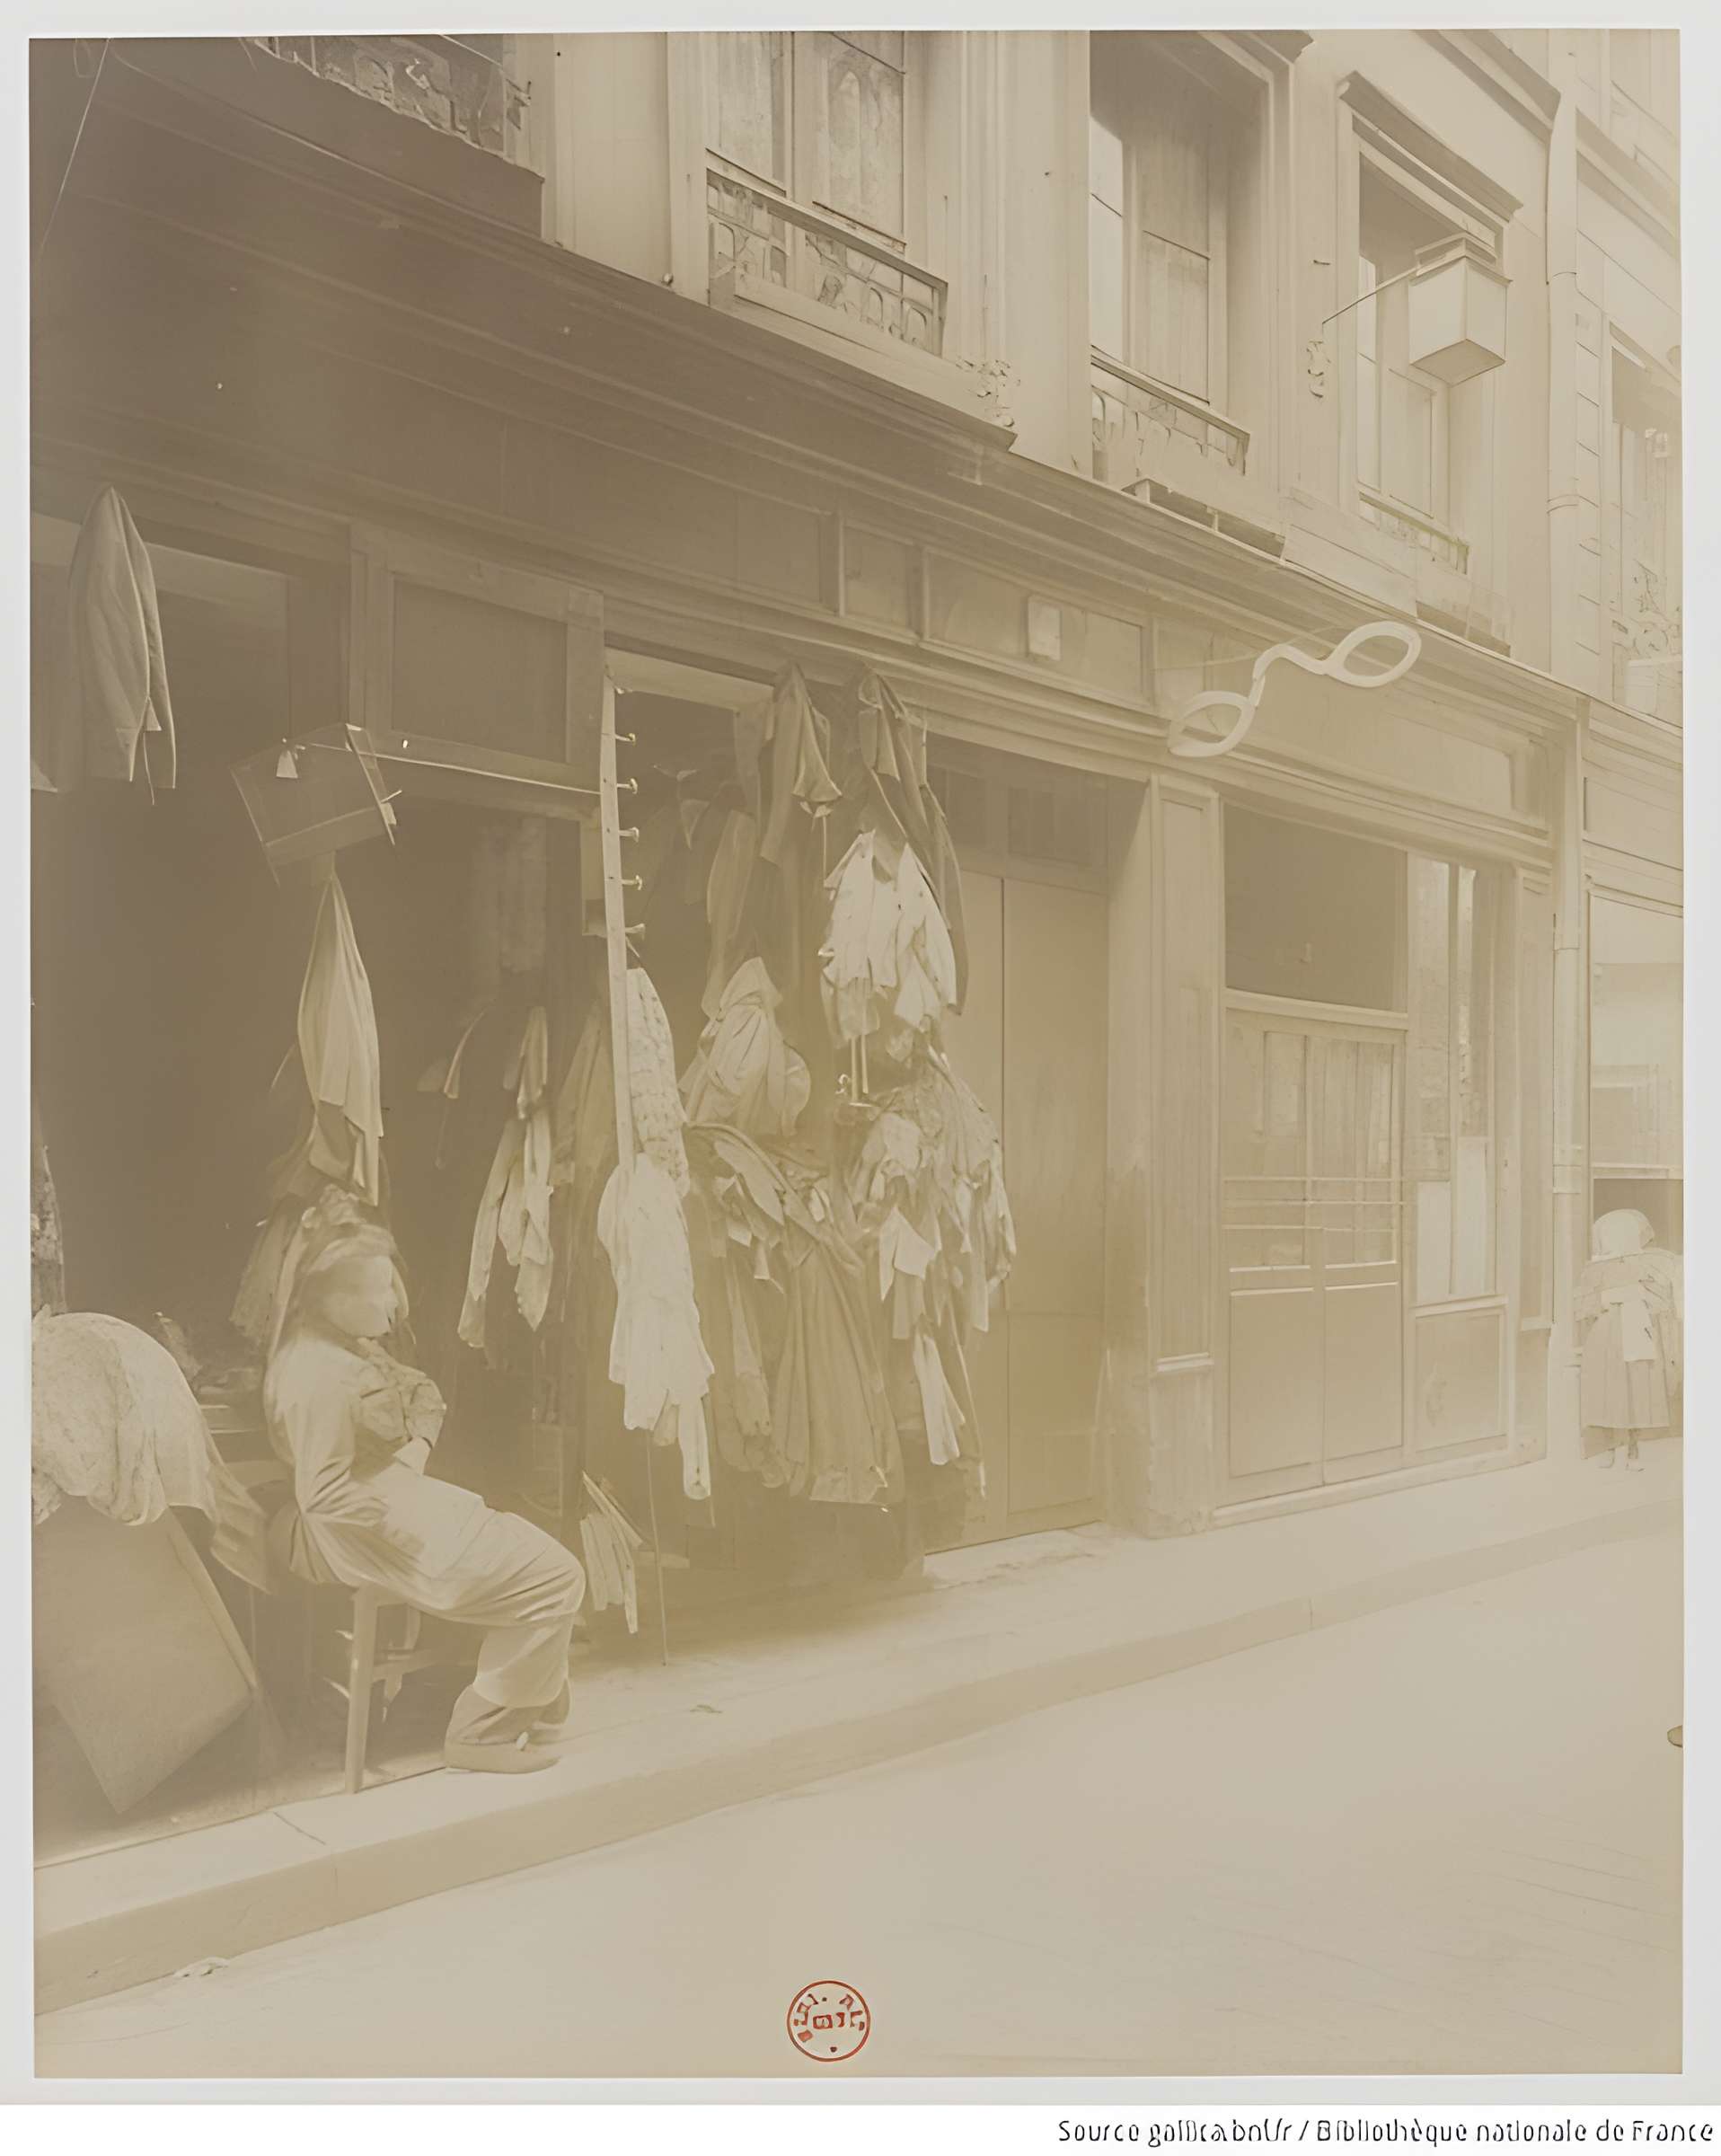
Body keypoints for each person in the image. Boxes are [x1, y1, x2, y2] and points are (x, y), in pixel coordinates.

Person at [263, 1215, 585, 1773]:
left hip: (379, 1505)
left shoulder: (336, 1348)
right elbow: (325, 1496)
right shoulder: (319, 1375)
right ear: (333, 1298)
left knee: (532, 1556)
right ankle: (481, 1732)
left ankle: (525, 1699)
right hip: (357, 1532)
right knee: (554, 1577)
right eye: (380, 1289)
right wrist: (414, 1523)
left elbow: (418, 1396)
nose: (394, 1301)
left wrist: (413, 1461)